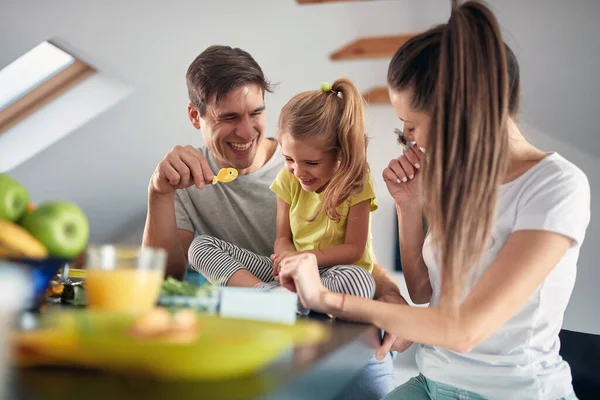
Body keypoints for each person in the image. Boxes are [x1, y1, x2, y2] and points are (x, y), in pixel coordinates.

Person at [276, 2, 591, 399]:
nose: (410, 140)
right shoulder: (461, 183)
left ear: (460, 111)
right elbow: (426, 292)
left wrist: (327, 298)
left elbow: (462, 330)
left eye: (411, 125)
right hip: (433, 381)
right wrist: (411, 208)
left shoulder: (555, 186)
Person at [142, 45, 404, 400]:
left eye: (256, 112)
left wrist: (388, 292)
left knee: (354, 283)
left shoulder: (307, 161)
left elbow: (356, 254)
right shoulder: (187, 179)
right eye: (229, 117)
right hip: (267, 333)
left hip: (341, 334)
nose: (246, 131)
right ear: (195, 115)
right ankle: (273, 300)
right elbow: (162, 281)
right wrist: (158, 193)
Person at [188, 78, 377, 301]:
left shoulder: (356, 183)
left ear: (340, 154)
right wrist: (286, 257)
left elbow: (354, 250)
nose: (298, 171)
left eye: (311, 163)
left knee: (360, 281)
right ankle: (268, 294)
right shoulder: (287, 179)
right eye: (289, 159)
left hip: (335, 274)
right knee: (200, 247)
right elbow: (282, 238)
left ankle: (295, 300)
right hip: (291, 272)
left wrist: (303, 259)